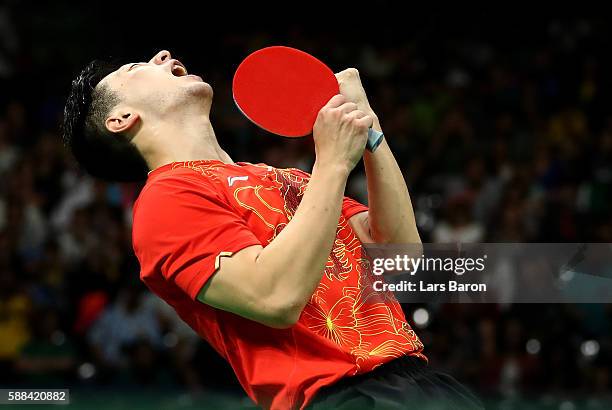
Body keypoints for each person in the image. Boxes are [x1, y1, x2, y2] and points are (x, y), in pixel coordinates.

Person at [62, 49, 482, 410]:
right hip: (341, 397)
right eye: (136, 67)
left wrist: (370, 132)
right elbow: (275, 297)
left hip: (422, 380)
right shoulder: (165, 201)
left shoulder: (282, 177)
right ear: (121, 118)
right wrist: (333, 163)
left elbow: (401, 257)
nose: (162, 56)